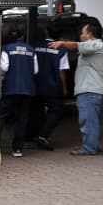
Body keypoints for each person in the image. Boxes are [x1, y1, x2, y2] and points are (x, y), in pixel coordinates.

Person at [51, 22, 103, 156]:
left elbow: (76, 45)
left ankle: (89, 148)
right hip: (98, 90)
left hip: (90, 89)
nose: (81, 35)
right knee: (95, 121)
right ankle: (91, 145)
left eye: (83, 32)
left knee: (88, 119)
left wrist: (61, 43)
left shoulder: (96, 45)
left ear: (90, 34)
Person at [0, 25, 37, 157]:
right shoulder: (31, 50)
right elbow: (35, 70)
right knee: (23, 118)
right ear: (23, 36)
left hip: (11, 88)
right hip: (27, 89)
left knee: (1, 117)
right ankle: (18, 149)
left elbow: (4, 67)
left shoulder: (7, 49)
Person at [29, 22, 69, 151]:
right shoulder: (61, 50)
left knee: (36, 110)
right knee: (57, 110)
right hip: (53, 85)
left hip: (36, 84)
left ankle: (32, 135)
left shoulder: (35, 46)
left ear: (47, 31)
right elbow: (62, 70)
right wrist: (64, 87)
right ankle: (42, 135)